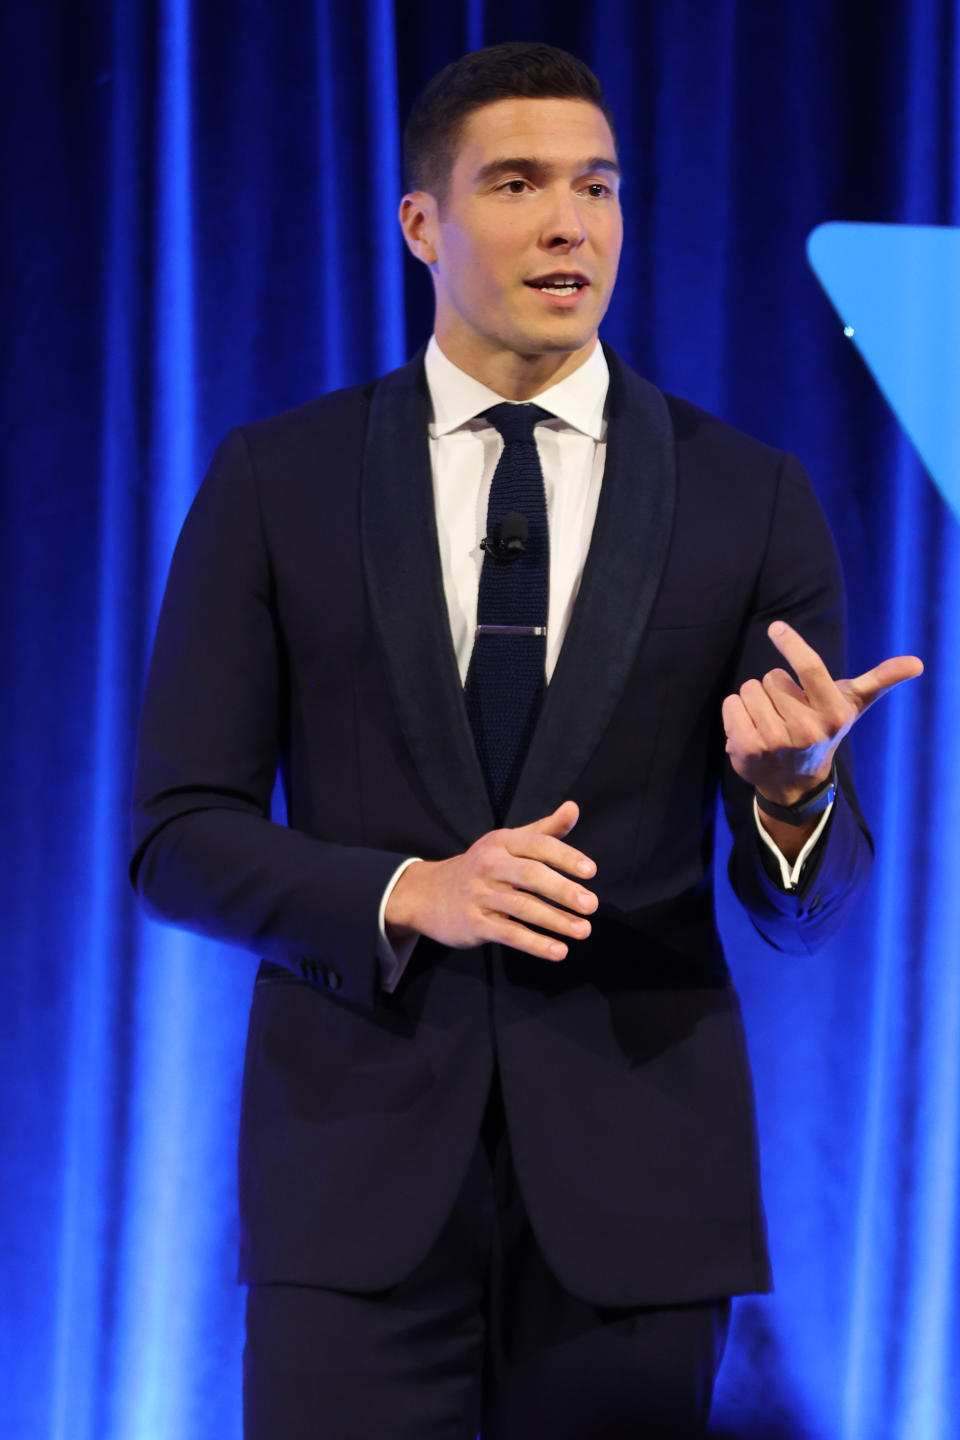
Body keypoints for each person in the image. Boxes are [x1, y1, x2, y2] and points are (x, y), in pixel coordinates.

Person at [130, 42, 922, 1440]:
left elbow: (807, 909)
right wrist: (404, 893)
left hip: (635, 1209)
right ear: (422, 224)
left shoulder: (751, 497)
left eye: (598, 186)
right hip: (352, 1200)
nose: (572, 223)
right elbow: (174, 834)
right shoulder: (278, 480)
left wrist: (794, 797)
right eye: (518, 183)